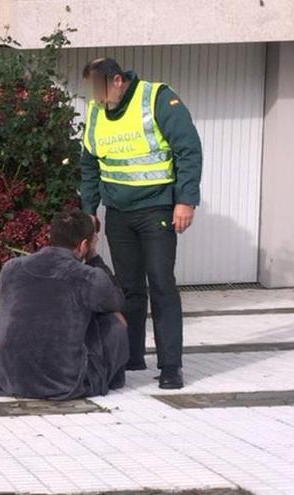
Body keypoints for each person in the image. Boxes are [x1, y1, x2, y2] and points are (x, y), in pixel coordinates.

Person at [79, 58, 203, 389]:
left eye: (100, 89)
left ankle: (171, 367)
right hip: (118, 212)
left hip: (156, 209)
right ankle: (131, 356)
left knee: (161, 284)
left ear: (117, 80)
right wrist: (89, 210)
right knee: (128, 288)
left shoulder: (157, 98)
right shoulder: (95, 111)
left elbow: (188, 149)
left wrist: (186, 200)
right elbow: (89, 163)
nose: (96, 98)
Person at [0, 208, 129, 400]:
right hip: (63, 382)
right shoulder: (87, 276)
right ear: (84, 244)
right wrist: (93, 257)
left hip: (8, 377)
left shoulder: (11, 268)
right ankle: (109, 379)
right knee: (114, 319)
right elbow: (117, 300)